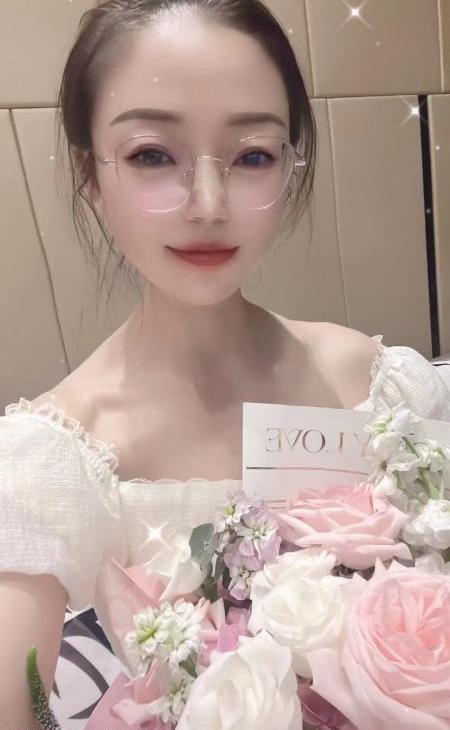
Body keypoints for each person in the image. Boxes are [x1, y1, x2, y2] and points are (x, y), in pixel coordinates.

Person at [1, 1, 449, 727]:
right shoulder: (52, 462)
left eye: (253, 156)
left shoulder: (378, 385)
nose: (208, 204)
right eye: (152, 154)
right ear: (90, 176)